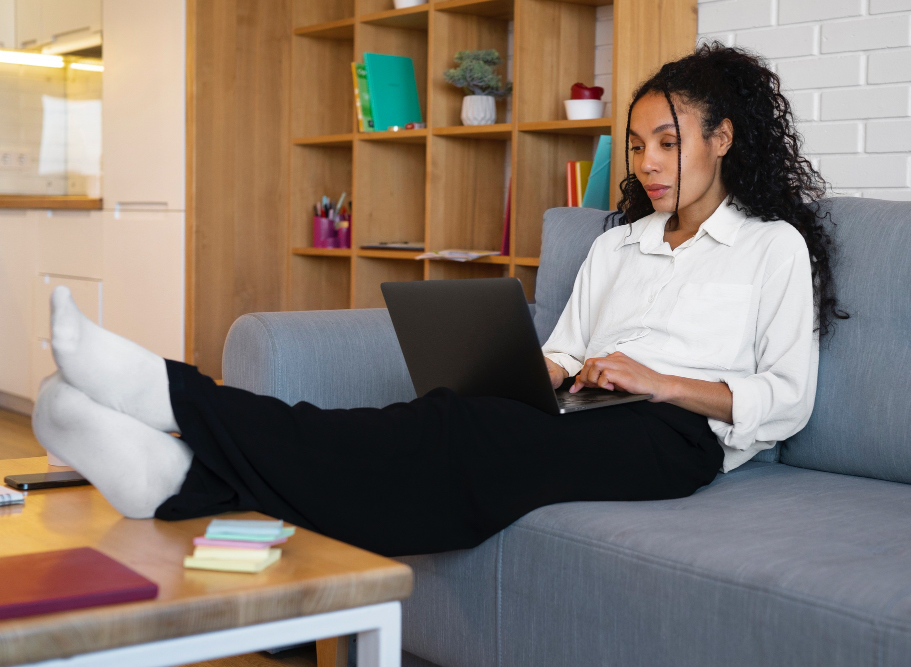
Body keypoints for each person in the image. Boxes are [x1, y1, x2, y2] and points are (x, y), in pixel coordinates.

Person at [31, 44, 845, 558]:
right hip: (581, 410)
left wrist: (656, 380)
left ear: (723, 139)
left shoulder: (770, 247)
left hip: (676, 435)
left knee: (458, 431)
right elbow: (563, 349)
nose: (649, 162)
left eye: (668, 143)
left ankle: (175, 401)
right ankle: (178, 481)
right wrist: (542, 372)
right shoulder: (615, 243)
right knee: (449, 413)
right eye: (637, 145)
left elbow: (786, 399)